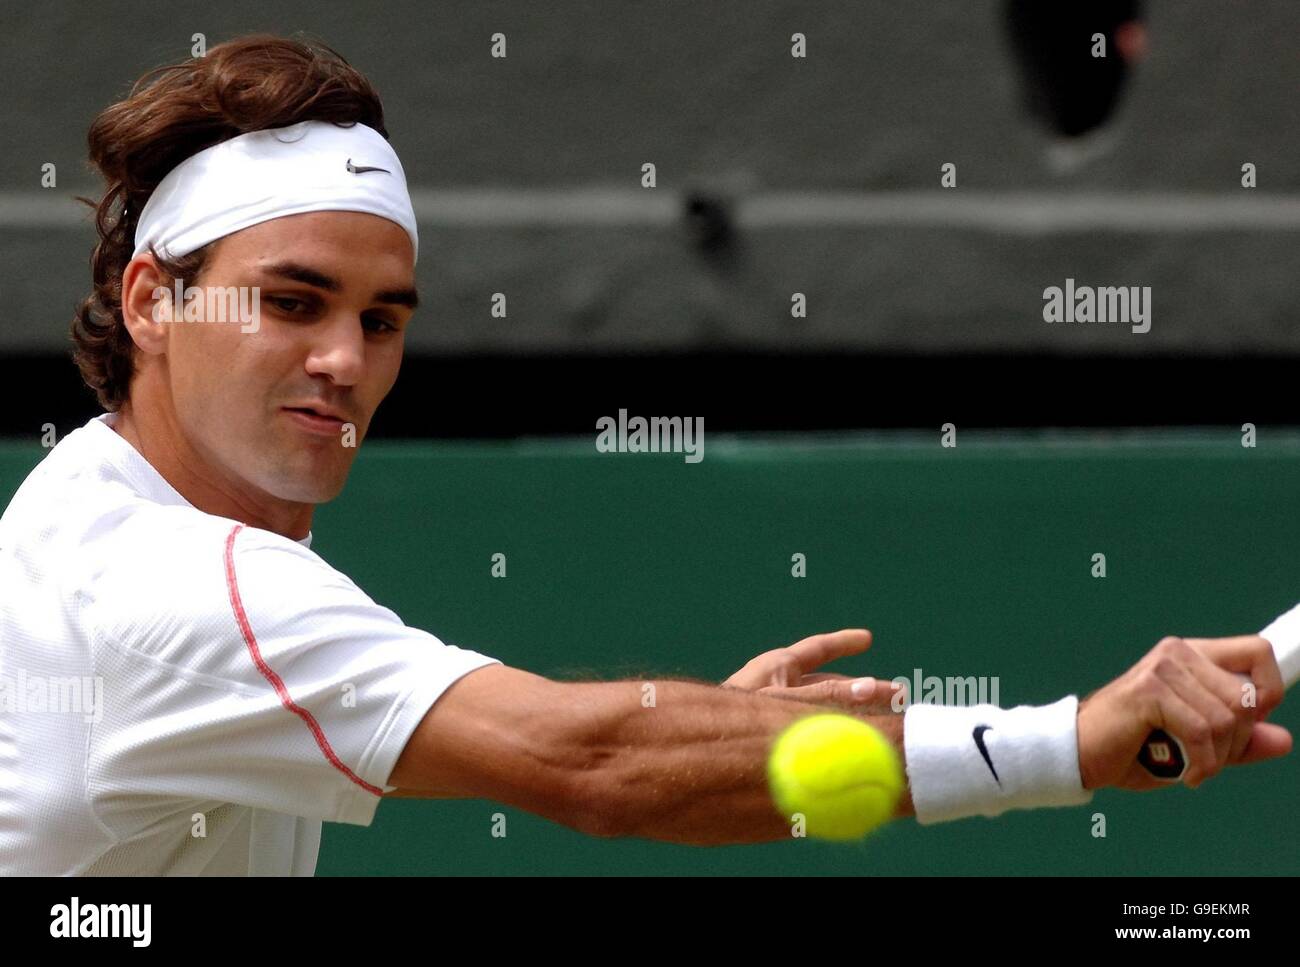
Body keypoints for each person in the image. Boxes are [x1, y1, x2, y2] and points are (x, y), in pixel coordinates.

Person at [0, 34, 1290, 875]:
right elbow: (592, 764)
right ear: (153, 301)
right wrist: (1077, 740)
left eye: (381, 320)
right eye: (293, 303)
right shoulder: (177, 591)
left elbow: (616, 750)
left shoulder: (90, 512)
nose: (346, 359)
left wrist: (724, 734)